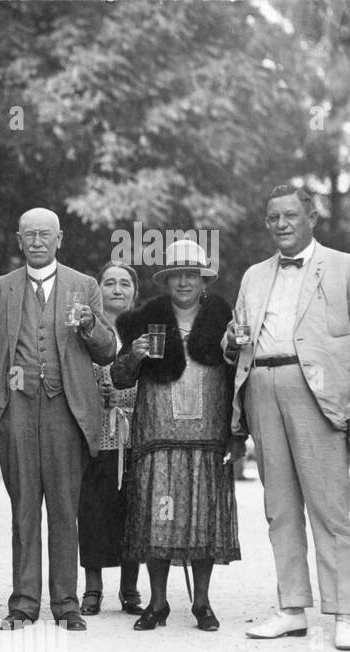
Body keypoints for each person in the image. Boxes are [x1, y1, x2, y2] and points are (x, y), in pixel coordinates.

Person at [229, 186, 350, 651]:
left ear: (312, 217)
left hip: (319, 394)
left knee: (329, 508)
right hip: (262, 388)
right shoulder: (252, 275)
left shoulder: (349, 267)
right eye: (273, 218)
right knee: (280, 507)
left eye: (291, 215)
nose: (281, 224)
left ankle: (343, 613)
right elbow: (239, 340)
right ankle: (291, 609)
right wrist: (233, 341)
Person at [0, 208, 117, 631]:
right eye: (29, 235)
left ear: (60, 239)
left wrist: (90, 325)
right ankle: (23, 603)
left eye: (46, 234)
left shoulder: (85, 285)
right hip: (16, 410)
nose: (38, 241)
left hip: (67, 409)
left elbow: (108, 350)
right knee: (23, 509)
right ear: (18, 241)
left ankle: (66, 603)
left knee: (64, 509)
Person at [111, 240, 239, 631]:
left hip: (207, 432)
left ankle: (201, 602)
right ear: (166, 281)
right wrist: (133, 354)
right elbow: (120, 379)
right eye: (176, 275)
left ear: (202, 280)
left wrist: (237, 431)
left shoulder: (225, 318)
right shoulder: (143, 321)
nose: (184, 281)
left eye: (192, 274)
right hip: (158, 433)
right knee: (159, 517)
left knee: (203, 516)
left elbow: (238, 373)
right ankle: (158, 602)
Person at [78, 262, 144, 616]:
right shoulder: (89, 329)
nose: (117, 289)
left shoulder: (144, 331)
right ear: (98, 288)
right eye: (109, 283)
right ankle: (93, 586)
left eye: (125, 284)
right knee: (91, 508)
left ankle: (130, 587)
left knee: (132, 508)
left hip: (134, 432)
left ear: (135, 291)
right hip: (95, 431)